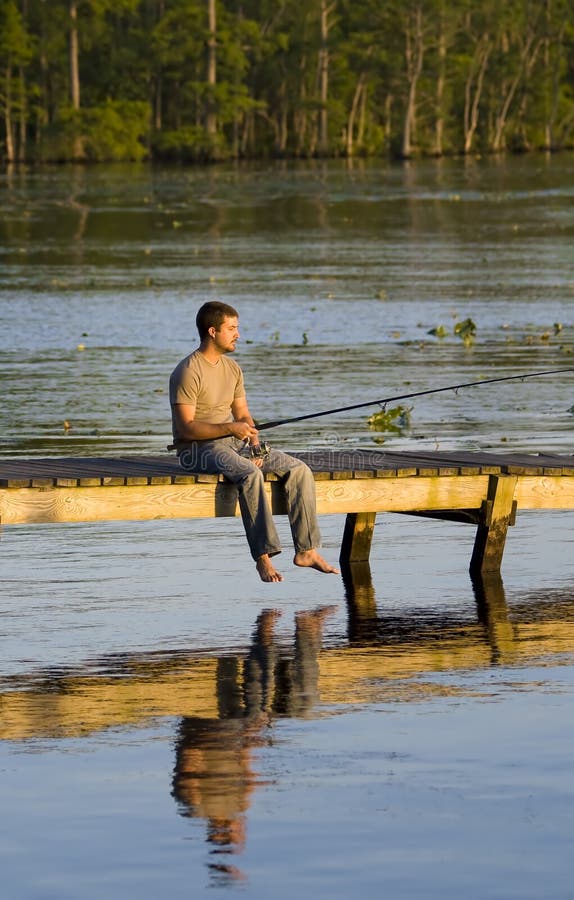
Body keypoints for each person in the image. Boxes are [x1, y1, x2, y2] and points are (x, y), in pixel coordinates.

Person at [169, 301, 339, 583]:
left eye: (237, 328)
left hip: (235, 444)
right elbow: (185, 429)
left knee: (299, 470)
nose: (238, 334)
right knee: (249, 474)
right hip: (197, 450)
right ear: (213, 331)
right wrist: (230, 428)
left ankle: (306, 550)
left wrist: (254, 444)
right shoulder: (188, 371)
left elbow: (244, 415)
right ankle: (263, 557)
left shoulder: (233, 369)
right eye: (232, 328)